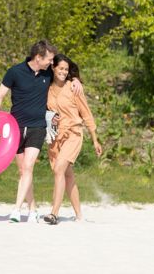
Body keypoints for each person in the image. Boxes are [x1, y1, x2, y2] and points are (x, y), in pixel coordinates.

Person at [0, 40, 79, 223]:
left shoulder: (47, 72)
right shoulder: (14, 72)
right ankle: (32, 209)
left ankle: (16, 210)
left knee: (29, 166)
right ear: (38, 57)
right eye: (49, 59)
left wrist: (76, 79)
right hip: (16, 128)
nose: (51, 63)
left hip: (38, 127)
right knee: (23, 171)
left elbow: (64, 72)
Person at [41, 54, 103, 225]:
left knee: (59, 169)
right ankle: (79, 215)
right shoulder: (46, 88)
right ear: (53, 68)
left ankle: (54, 213)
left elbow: (86, 114)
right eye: (60, 68)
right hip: (55, 137)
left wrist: (95, 140)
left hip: (73, 134)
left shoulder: (73, 88)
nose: (63, 71)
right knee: (67, 176)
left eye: (66, 69)